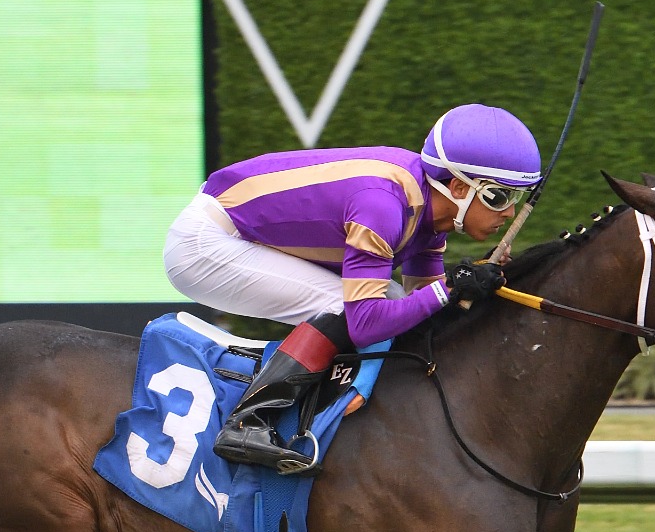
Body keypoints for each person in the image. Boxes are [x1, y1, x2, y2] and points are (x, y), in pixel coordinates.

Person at [163, 103, 541, 472]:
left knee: (398, 306)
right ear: (458, 187)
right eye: (498, 196)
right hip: (204, 245)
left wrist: (469, 285)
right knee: (345, 305)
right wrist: (451, 287)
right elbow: (366, 322)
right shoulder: (383, 206)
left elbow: (425, 305)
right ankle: (246, 424)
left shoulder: (429, 212)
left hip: (235, 231)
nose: (507, 213)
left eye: (515, 199)